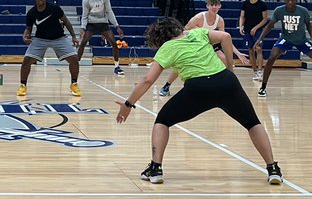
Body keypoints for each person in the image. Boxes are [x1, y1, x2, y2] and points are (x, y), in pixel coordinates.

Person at [115, 17, 283, 187]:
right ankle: (273, 168)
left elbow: (147, 80)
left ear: (159, 37)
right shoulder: (198, 33)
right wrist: (230, 70)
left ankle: (155, 168)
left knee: (162, 121)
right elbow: (225, 36)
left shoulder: (167, 48)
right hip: (226, 82)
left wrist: (128, 104)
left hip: (198, 88)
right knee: (252, 123)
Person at [253, 0, 312, 99]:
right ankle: (263, 87)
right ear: (285, 1)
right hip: (286, 39)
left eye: (293, 0)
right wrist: (259, 39)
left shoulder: (303, 11)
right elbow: (269, 26)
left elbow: (308, 24)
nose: (290, 2)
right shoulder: (279, 11)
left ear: (295, 0)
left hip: (301, 40)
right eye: (288, 0)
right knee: (271, 58)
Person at [158, 0, 247, 96]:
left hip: (208, 44)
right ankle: (167, 85)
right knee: (183, 64)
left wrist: (238, 54)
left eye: (216, 5)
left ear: (220, 6)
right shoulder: (199, 17)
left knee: (224, 59)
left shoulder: (220, 20)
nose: (214, 7)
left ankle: (227, 85)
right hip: (194, 43)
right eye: (211, 5)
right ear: (207, 6)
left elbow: (225, 38)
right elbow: (183, 31)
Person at [18, 0, 82, 98]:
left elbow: (66, 22)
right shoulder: (32, 13)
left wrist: (74, 37)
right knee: (26, 61)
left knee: (74, 59)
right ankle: (23, 85)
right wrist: (25, 36)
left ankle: (74, 84)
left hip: (59, 38)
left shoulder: (54, 8)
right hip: (40, 39)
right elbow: (28, 28)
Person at [76, 0, 125, 75]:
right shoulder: (85, 0)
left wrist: (117, 26)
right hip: (91, 23)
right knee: (83, 43)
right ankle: (76, 65)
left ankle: (117, 67)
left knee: (114, 43)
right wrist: (82, 28)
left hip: (103, 23)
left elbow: (109, 11)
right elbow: (84, 15)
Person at [238, 0, 269, 76]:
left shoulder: (262, 4)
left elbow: (265, 19)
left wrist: (255, 28)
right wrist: (241, 26)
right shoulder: (245, 4)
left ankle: (260, 70)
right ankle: (255, 71)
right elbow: (242, 16)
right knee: (250, 50)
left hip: (258, 30)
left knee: (258, 49)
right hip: (247, 29)